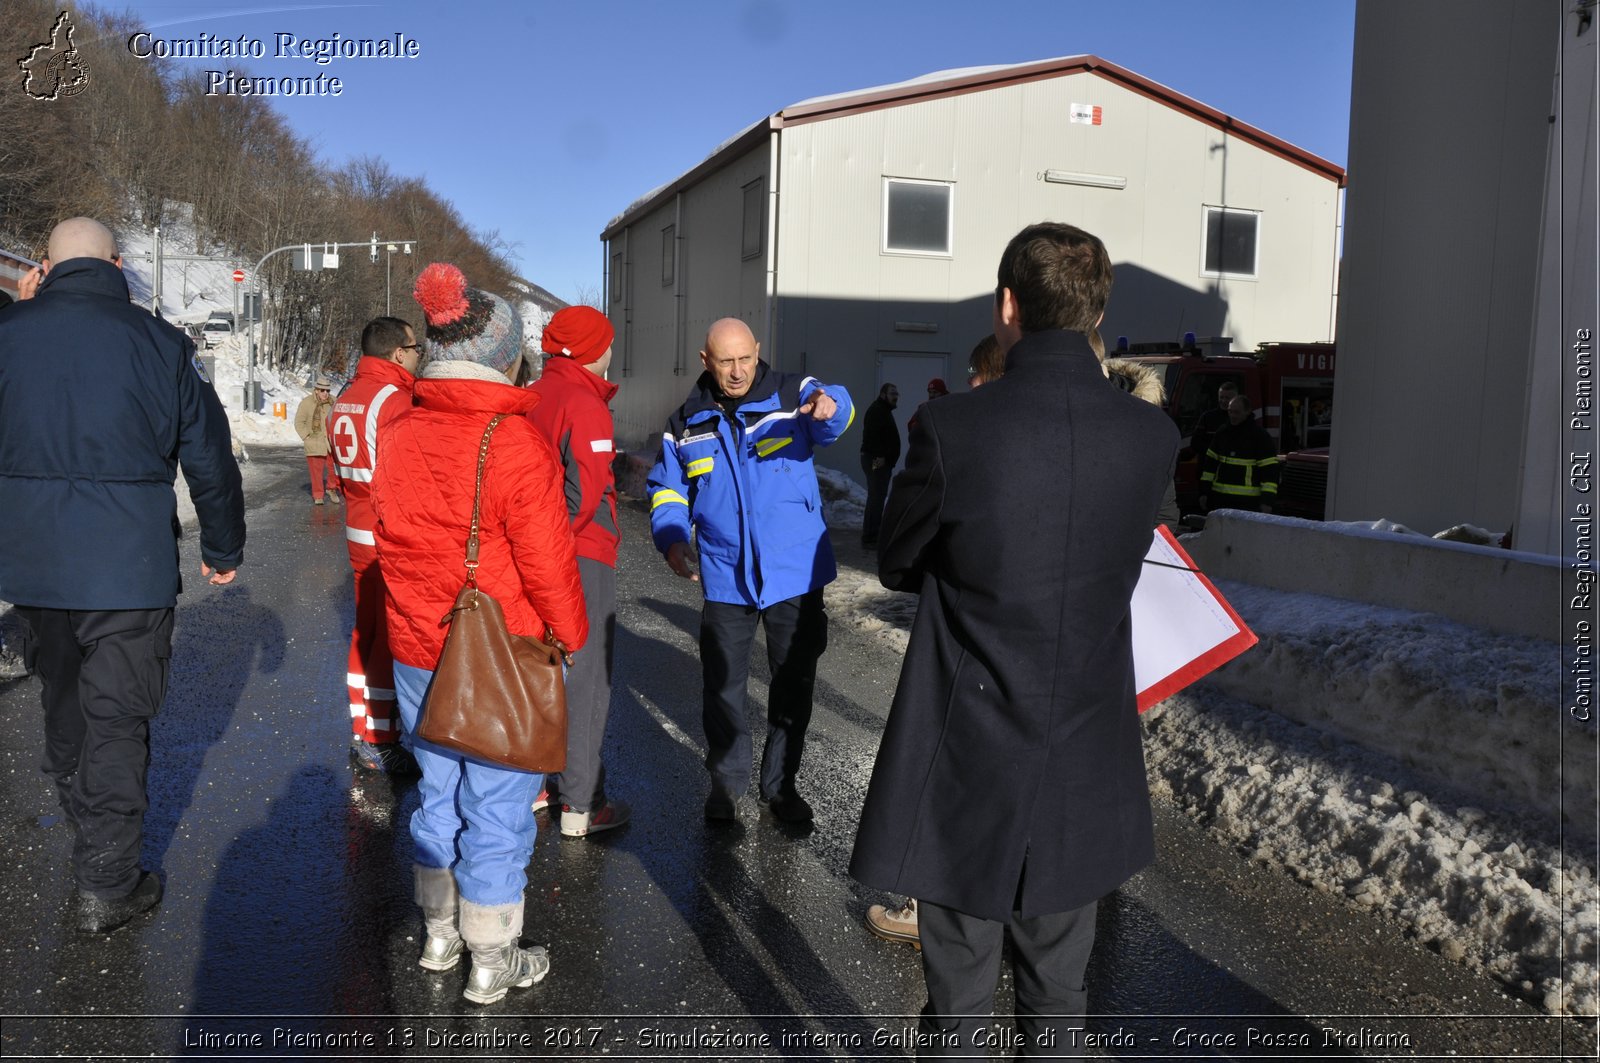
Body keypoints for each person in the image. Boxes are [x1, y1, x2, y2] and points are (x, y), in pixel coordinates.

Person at [849, 221, 1178, 1054]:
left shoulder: (953, 428)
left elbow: (896, 559)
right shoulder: (1151, 437)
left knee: (959, 1000)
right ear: (1098, 309)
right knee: (1059, 998)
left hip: (969, 744)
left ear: (1007, 306)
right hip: (1085, 748)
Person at [0, 217, 245, 932]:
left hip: (33, 565)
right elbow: (209, 457)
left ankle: (93, 838)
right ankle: (106, 882)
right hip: (129, 568)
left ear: (43, 266)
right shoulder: (161, 342)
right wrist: (222, 546)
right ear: (116, 263)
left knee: (65, 703)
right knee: (119, 716)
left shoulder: (8, 334)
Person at [373, 262, 587, 1004]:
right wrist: (570, 632)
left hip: (414, 645)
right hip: (500, 647)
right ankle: (492, 955)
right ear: (505, 357)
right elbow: (548, 563)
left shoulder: (396, 429)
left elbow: (389, 539)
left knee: (436, 788)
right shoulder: (516, 441)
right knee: (497, 801)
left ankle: (438, 934)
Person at [647, 317, 853, 824]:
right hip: (725, 576)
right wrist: (672, 539)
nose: (738, 371)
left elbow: (833, 412)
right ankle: (726, 787)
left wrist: (830, 407)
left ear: (757, 351)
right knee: (722, 690)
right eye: (726, 361)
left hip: (795, 574)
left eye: (745, 358)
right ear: (705, 361)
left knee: (793, 686)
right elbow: (667, 491)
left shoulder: (792, 394)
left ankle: (781, 788)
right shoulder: (686, 423)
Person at [525, 305, 630, 838]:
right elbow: (584, 493)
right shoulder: (585, 402)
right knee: (588, 680)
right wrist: (555, 547)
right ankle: (581, 804)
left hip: (532, 553)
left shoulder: (534, 394)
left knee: (541, 670)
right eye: (609, 343)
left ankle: (540, 784)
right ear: (594, 350)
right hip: (580, 553)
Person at [328, 316, 422, 775]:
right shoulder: (395, 399)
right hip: (389, 533)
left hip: (356, 526)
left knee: (364, 630)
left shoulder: (346, 396)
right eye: (416, 347)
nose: (419, 355)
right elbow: (409, 476)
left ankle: (362, 727)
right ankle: (381, 737)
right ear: (398, 353)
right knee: (388, 637)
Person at [1200, 395, 1279, 513]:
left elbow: (1270, 472)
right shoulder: (1222, 433)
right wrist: (1204, 492)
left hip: (1247, 503)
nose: (1232, 416)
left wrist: (1267, 501)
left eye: (1236, 412)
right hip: (1219, 500)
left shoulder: (1259, 436)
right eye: (1230, 412)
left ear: (1247, 412)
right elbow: (1209, 467)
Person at [859, 382, 900, 548]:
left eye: (897, 393)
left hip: (879, 460)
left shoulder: (883, 410)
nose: (896, 396)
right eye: (892, 393)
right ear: (883, 394)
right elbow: (872, 436)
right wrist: (880, 456)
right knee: (876, 497)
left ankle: (872, 533)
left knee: (877, 497)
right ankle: (870, 535)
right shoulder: (878, 410)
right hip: (876, 461)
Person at [293, 374, 339, 505]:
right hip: (314, 442)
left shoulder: (334, 401)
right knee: (316, 472)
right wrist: (306, 437)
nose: (325, 393)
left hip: (330, 442)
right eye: (322, 390)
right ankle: (318, 495)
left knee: (333, 469)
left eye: (328, 390)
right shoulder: (307, 403)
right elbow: (299, 422)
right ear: (317, 390)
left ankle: (332, 489)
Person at [1189, 380, 1238, 468]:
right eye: (1221, 397)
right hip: (1207, 468)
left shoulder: (1241, 419)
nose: (1223, 401)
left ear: (1236, 398)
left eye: (1227, 398)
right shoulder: (1207, 417)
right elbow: (1195, 443)